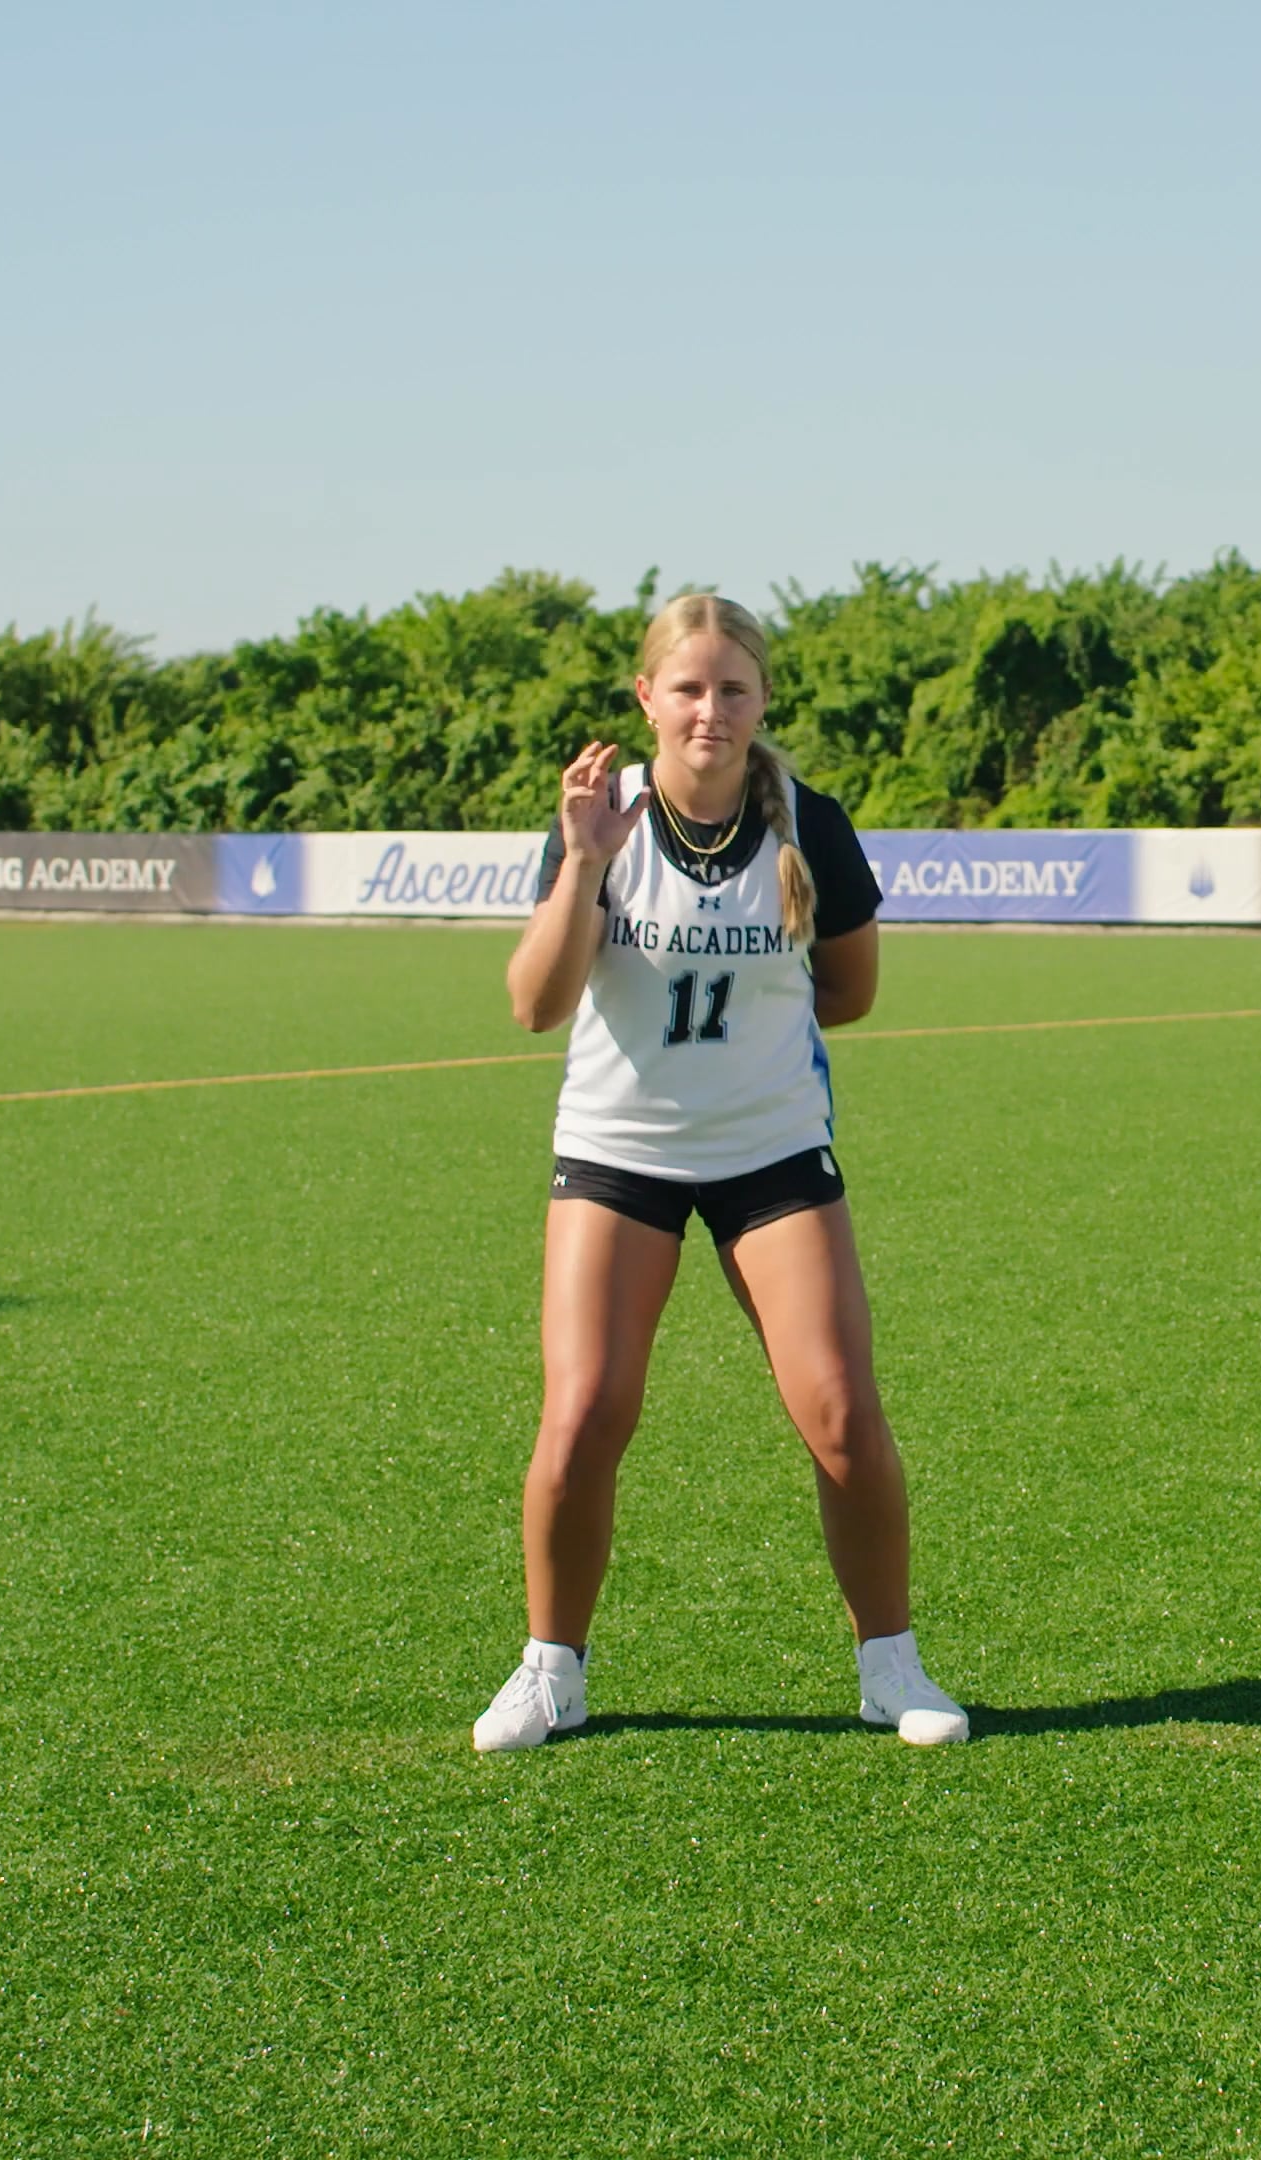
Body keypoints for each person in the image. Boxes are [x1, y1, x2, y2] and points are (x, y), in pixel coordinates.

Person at [474, 591, 967, 1752]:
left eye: (732, 689)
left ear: (761, 700)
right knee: (585, 1411)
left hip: (771, 1156)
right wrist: (584, 867)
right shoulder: (602, 819)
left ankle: (890, 1666)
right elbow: (535, 1004)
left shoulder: (813, 822)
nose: (711, 710)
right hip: (618, 1154)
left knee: (842, 1415)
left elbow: (850, 991)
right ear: (647, 696)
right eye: (687, 688)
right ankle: (552, 1671)